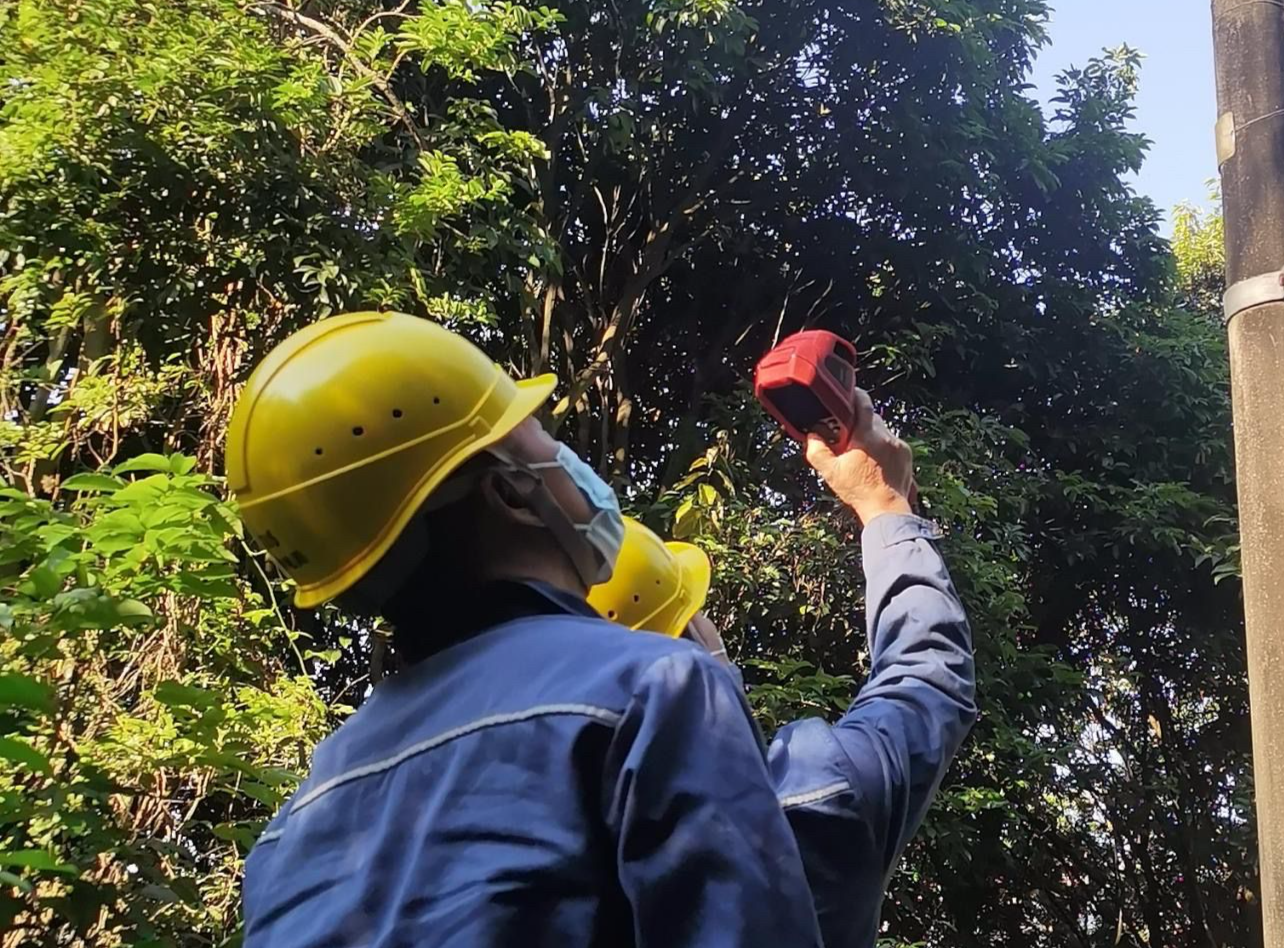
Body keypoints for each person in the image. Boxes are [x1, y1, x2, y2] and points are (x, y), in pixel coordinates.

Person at [226, 310, 824, 947]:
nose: (566, 455)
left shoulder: (293, 828)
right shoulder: (655, 688)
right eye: (536, 431)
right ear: (510, 493)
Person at [587, 395, 977, 948]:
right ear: (697, 644)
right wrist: (884, 505)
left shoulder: (519, 876)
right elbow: (928, 674)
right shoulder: (806, 803)